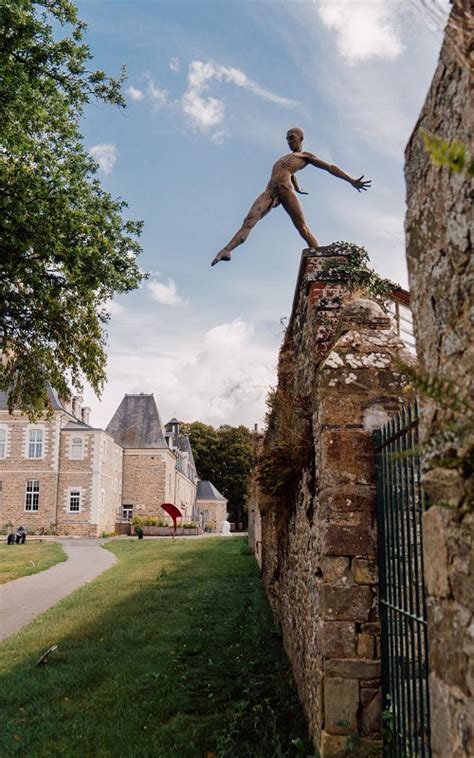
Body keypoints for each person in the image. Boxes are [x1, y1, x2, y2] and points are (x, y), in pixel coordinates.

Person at [211, 127, 371, 266]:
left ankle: (319, 255)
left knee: (301, 226)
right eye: (287, 139)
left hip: (284, 188)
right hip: (269, 191)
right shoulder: (284, 158)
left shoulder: (305, 156)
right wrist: (298, 186)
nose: (289, 142)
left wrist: (351, 180)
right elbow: (291, 174)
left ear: (300, 139)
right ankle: (226, 250)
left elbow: (329, 167)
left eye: (292, 138)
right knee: (249, 221)